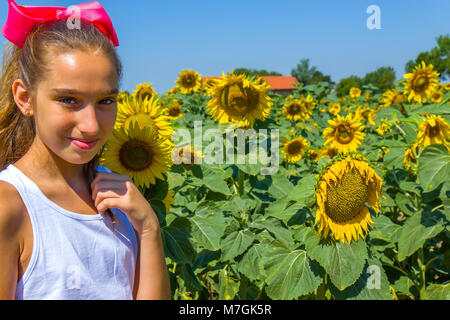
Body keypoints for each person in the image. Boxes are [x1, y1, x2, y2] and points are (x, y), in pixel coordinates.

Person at [0, 0, 171, 300]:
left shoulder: (120, 199)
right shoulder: (10, 206)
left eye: (106, 101)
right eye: (68, 100)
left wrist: (148, 228)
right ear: (25, 98)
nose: (91, 125)